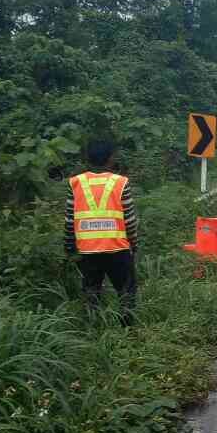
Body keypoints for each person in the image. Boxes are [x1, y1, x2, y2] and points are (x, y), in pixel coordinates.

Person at [65, 138, 139, 324]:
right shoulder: (120, 182)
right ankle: (128, 330)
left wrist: (69, 247)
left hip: (87, 251)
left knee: (91, 293)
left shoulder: (75, 183)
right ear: (111, 159)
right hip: (117, 248)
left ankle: (95, 330)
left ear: (87, 158)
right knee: (126, 291)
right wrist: (134, 244)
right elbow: (129, 220)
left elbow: (69, 220)